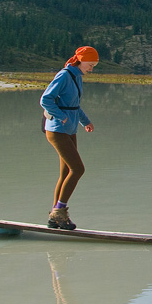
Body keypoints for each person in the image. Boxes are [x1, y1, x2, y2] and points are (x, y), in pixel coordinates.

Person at [40, 46, 98, 230]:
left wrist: (85, 122)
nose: (91, 69)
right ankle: (60, 211)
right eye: (90, 65)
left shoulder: (77, 77)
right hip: (57, 130)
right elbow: (45, 100)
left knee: (66, 173)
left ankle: (54, 217)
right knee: (78, 169)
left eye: (94, 66)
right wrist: (60, 116)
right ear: (81, 61)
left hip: (70, 129)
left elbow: (74, 106)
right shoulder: (64, 75)